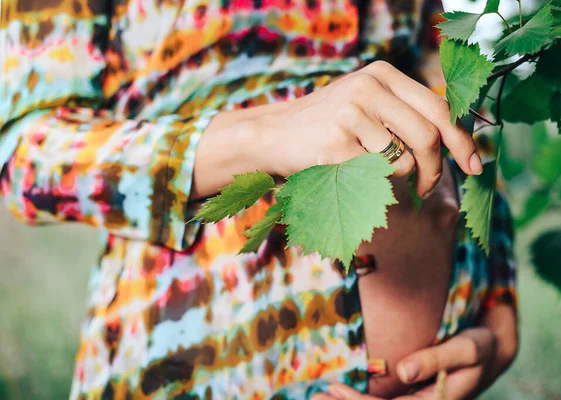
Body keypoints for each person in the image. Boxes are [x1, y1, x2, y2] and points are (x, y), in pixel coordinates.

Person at [0, 0, 517, 398]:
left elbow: (445, 84)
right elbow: (27, 158)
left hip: (431, 366)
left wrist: (498, 299)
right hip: (201, 365)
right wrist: (265, 134)